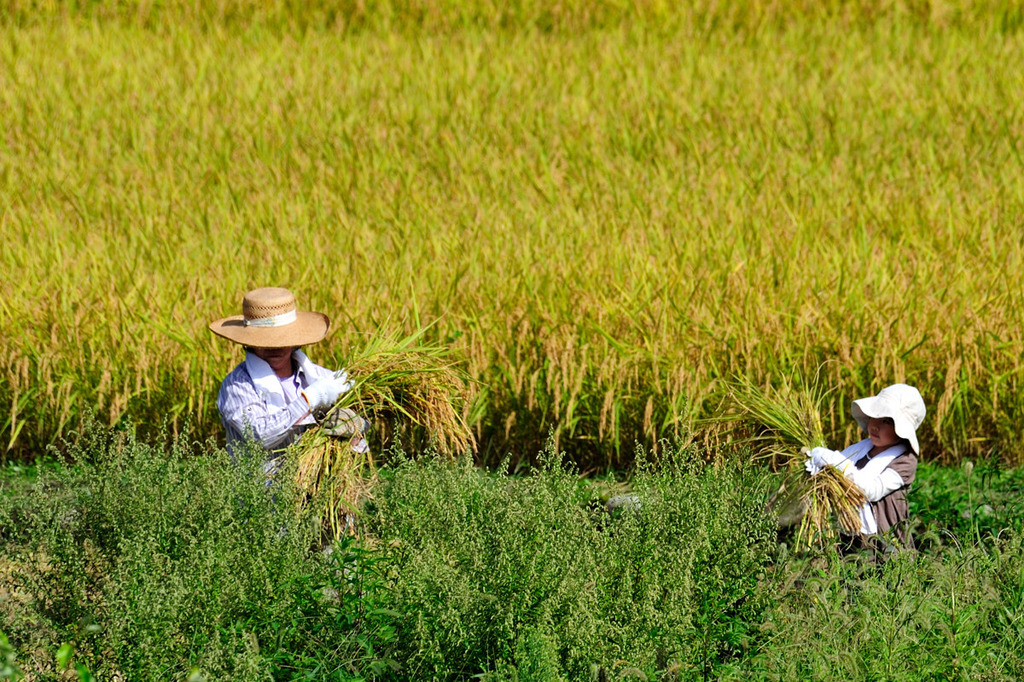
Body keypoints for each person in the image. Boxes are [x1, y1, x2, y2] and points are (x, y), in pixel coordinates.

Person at [208, 287, 368, 473]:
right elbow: (259, 436)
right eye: (265, 342)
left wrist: (355, 426)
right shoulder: (237, 386)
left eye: (281, 340)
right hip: (260, 497)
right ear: (249, 342)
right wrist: (309, 400)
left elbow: (362, 423)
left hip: (317, 497)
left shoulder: (322, 378)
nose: (275, 348)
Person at [804, 383, 926, 555]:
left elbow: (871, 490)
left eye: (886, 421)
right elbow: (835, 474)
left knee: (882, 578)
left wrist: (834, 460)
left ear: (901, 429)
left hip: (884, 543)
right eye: (874, 416)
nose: (875, 425)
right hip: (851, 537)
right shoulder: (861, 449)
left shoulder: (904, 461)